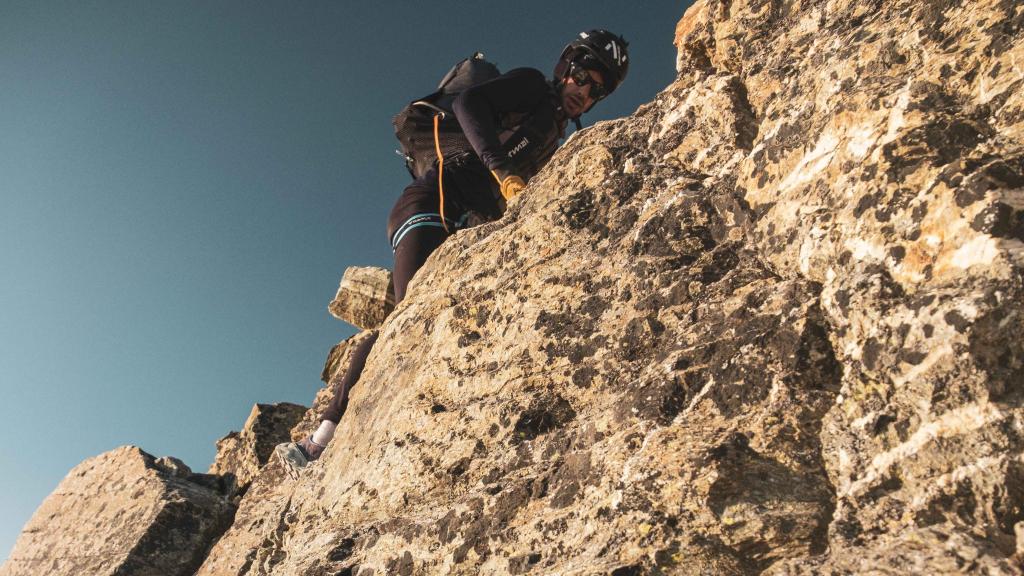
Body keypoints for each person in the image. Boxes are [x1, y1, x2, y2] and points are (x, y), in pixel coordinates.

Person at [277, 30, 629, 469]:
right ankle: (316, 443)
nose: (585, 91)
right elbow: (467, 105)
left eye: (598, 88)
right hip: (430, 202)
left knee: (422, 322)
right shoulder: (533, 87)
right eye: (582, 76)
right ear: (565, 68)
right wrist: (502, 170)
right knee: (404, 320)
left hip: (460, 218)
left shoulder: (553, 132)